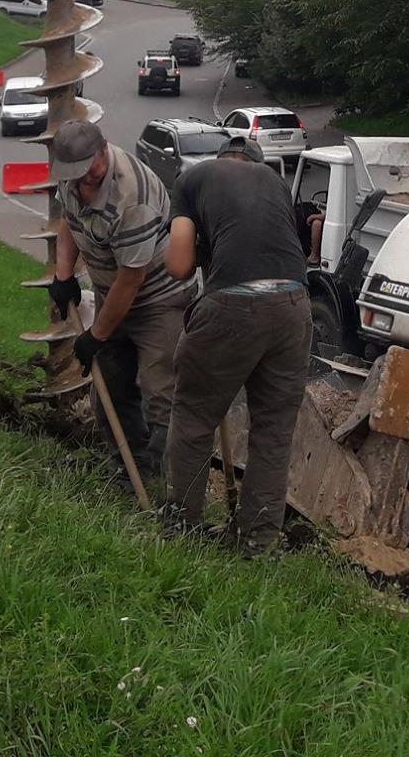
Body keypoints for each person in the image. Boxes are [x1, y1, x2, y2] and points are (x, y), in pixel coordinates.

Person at [161, 134, 311, 555]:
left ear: (221, 158)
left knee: (193, 417)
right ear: (255, 162)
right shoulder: (275, 183)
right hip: (294, 307)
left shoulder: (193, 178)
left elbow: (178, 266)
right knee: (273, 433)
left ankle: (183, 530)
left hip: (233, 305)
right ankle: (258, 543)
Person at [46, 118, 189, 476]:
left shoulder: (132, 195)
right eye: (74, 176)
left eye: (87, 170)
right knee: (109, 386)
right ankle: (131, 465)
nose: (82, 181)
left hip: (159, 299)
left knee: (161, 392)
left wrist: (96, 335)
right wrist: (64, 276)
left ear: (103, 148)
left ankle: (172, 484)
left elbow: (132, 278)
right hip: (114, 296)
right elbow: (69, 221)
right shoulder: (72, 180)